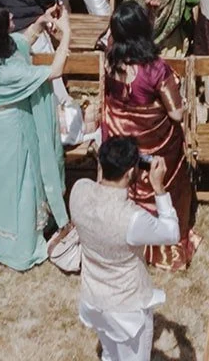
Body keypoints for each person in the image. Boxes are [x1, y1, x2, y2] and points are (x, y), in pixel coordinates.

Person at [0, 0, 71, 270]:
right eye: (8, 18)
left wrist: (38, 24)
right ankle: (23, 243)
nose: (13, 16)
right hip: (15, 127)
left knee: (5, 181)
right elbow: (55, 71)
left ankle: (10, 236)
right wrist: (66, 35)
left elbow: (20, 42)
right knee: (22, 181)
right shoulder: (8, 72)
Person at [96, 2, 195, 271]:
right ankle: (164, 243)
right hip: (154, 144)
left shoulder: (110, 61)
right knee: (170, 163)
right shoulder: (156, 69)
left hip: (121, 141)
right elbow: (175, 115)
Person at [71, 132, 182, 361]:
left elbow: (98, 183)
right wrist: (158, 187)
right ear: (132, 172)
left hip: (93, 297)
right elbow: (171, 233)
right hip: (127, 308)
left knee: (110, 353)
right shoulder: (132, 219)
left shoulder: (78, 191)